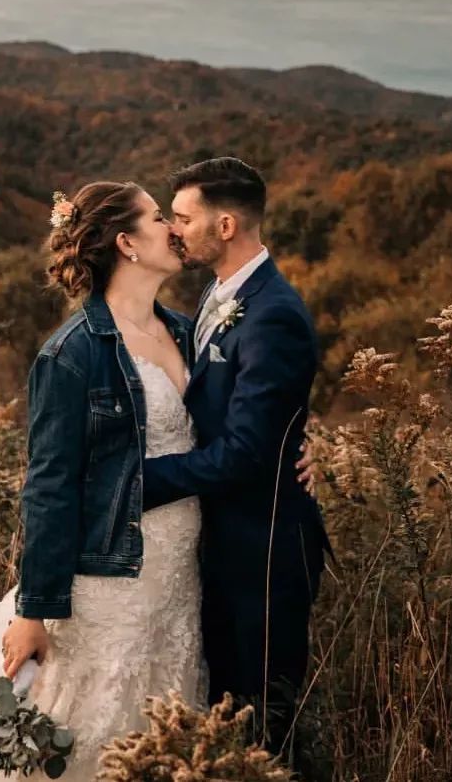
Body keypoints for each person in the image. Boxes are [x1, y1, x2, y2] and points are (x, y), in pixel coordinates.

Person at [0, 181, 207, 781]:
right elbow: (50, 487)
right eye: (160, 218)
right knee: (85, 741)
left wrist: (296, 445)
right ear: (128, 242)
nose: (175, 228)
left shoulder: (186, 333)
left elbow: (229, 431)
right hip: (107, 583)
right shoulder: (72, 354)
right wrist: (34, 610)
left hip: (178, 581)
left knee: (164, 742)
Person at [143, 157, 330, 759]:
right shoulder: (220, 293)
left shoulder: (274, 313)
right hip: (225, 542)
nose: (174, 230)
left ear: (225, 226)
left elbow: (247, 453)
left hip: (264, 552)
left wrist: (136, 482)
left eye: (184, 218)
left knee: (263, 725)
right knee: (226, 710)